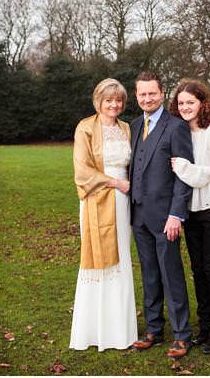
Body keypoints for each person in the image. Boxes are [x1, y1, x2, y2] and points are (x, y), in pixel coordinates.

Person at [128, 71, 195, 358]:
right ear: (137, 96)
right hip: (139, 214)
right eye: (142, 94)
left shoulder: (176, 127)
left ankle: (182, 335)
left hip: (165, 216)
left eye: (152, 93)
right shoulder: (133, 126)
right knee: (149, 273)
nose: (147, 98)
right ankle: (153, 329)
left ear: (162, 93)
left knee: (171, 274)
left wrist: (176, 215)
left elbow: (183, 175)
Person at [70, 78, 138, 351]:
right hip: (97, 198)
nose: (114, 104)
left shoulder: (126, 128)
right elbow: (82, 170)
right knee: (97, 259)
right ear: (98, 100)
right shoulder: (85, 127)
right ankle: (94, 330)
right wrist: (116, 183)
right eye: (108, 100)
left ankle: (120, 329)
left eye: (118, 100)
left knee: (121, 256)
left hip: (123, 204)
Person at [168, 79, 210, 354]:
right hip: (191, 213)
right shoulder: (179, 131)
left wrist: (185, 169)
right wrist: (191, 172)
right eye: (181, 103)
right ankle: (204, 327)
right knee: (197, 270)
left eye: (190, 102)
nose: (185, 107)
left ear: (202, 103)